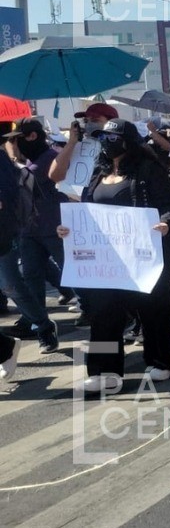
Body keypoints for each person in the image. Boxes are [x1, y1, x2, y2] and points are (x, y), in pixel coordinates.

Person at [57, 119, 170, 393]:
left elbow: (169, 206)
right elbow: (87, 211)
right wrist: (70, 229)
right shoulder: (97, 174)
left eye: (112, 137)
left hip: (143, 255)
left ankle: (160, 361)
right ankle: (105, 370)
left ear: (127, 141)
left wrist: (166, 223)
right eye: (102, 137)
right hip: (106, 259)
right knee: (103, 312)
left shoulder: (148, 170)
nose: (105, 142)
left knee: (153, 308)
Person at [3, 118, 63, 352]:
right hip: (29, 231)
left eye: (17, 140)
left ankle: (44, 325)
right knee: (30, 277)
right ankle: (40, 326)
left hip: (48, 227)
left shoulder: (49, 156)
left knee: (14, 284)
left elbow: (26, 180)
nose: (15, 144)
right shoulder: (21, 160)